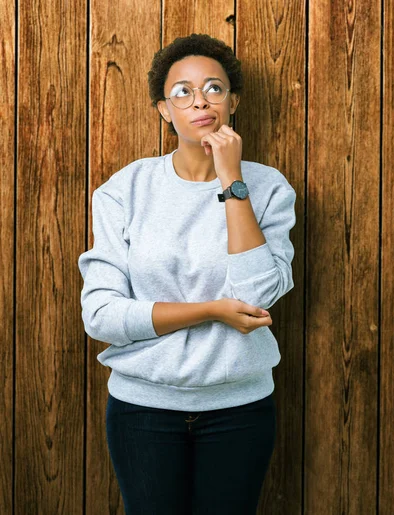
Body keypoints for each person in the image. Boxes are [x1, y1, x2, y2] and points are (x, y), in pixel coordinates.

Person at [77, 33, 296, 514]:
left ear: (233, 102)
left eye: (214, 88)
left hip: (239, 407)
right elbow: (101, 315)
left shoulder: (269, 187)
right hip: (143, 408)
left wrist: (231, 180)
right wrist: (212, 311)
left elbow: (259, 292)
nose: (200, 100)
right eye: (183, 91)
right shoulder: (124, 190)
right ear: (163, 109)